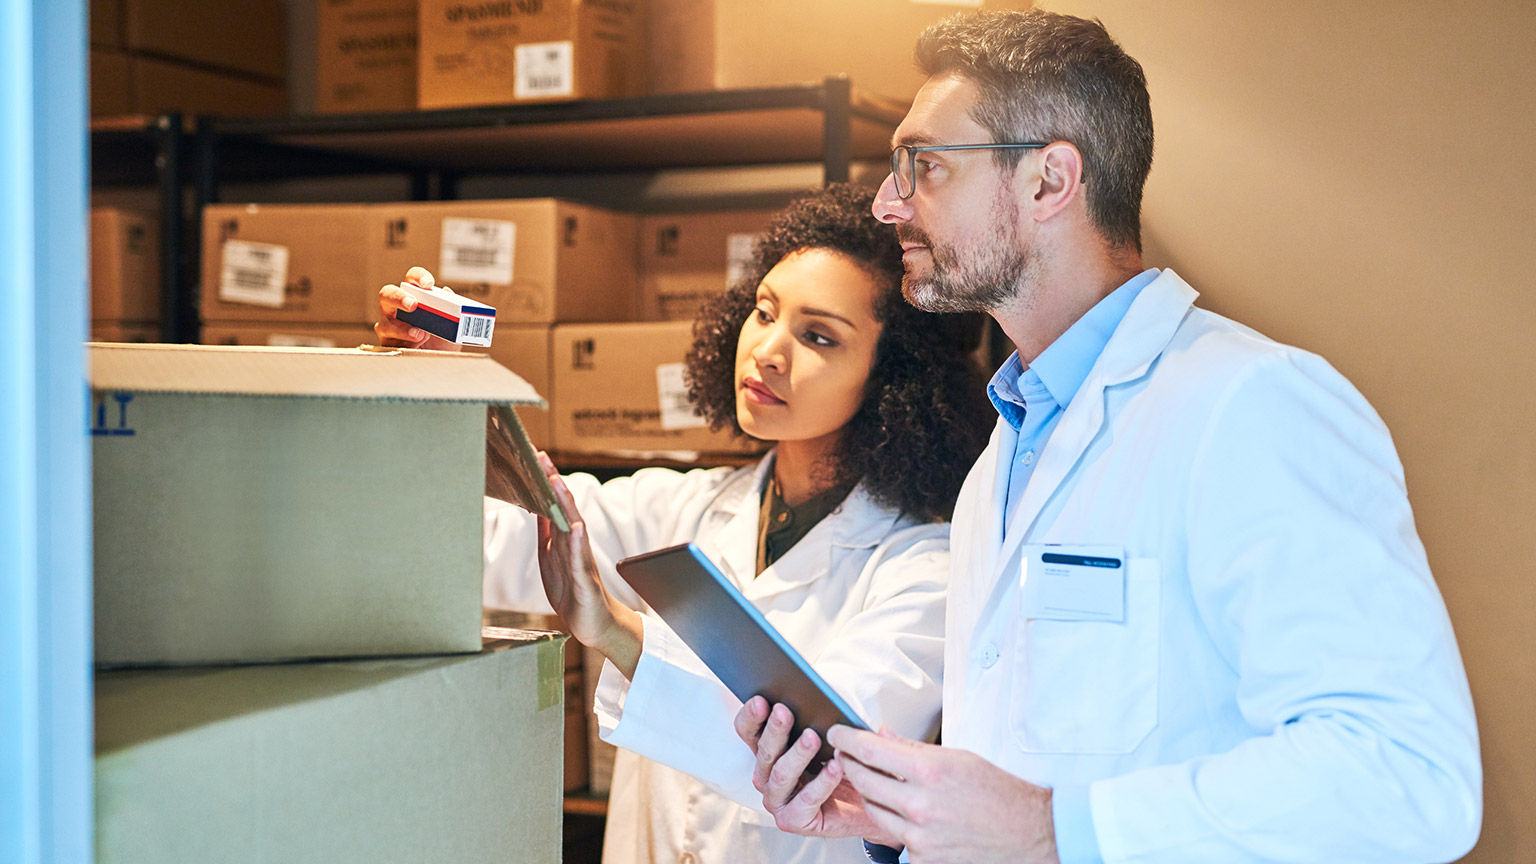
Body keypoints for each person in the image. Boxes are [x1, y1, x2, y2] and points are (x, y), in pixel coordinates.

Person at [736, 11, 1482, 864]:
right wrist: (895, 822)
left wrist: (1050, 830)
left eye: (925, 166)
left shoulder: (1252, 401)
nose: (886, 202)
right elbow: (1028, 769)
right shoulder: (1006, 450)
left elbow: (1411, 778)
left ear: (1051, 181)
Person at [375, 182, 995, 864]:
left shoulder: (926, 568)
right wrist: (430, 387)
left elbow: (818, 757)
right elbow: (494, 541)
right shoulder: (687, 509)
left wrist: (616, 631)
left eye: (818, 336)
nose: (768, 350)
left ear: (894, 380)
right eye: (764, 313)